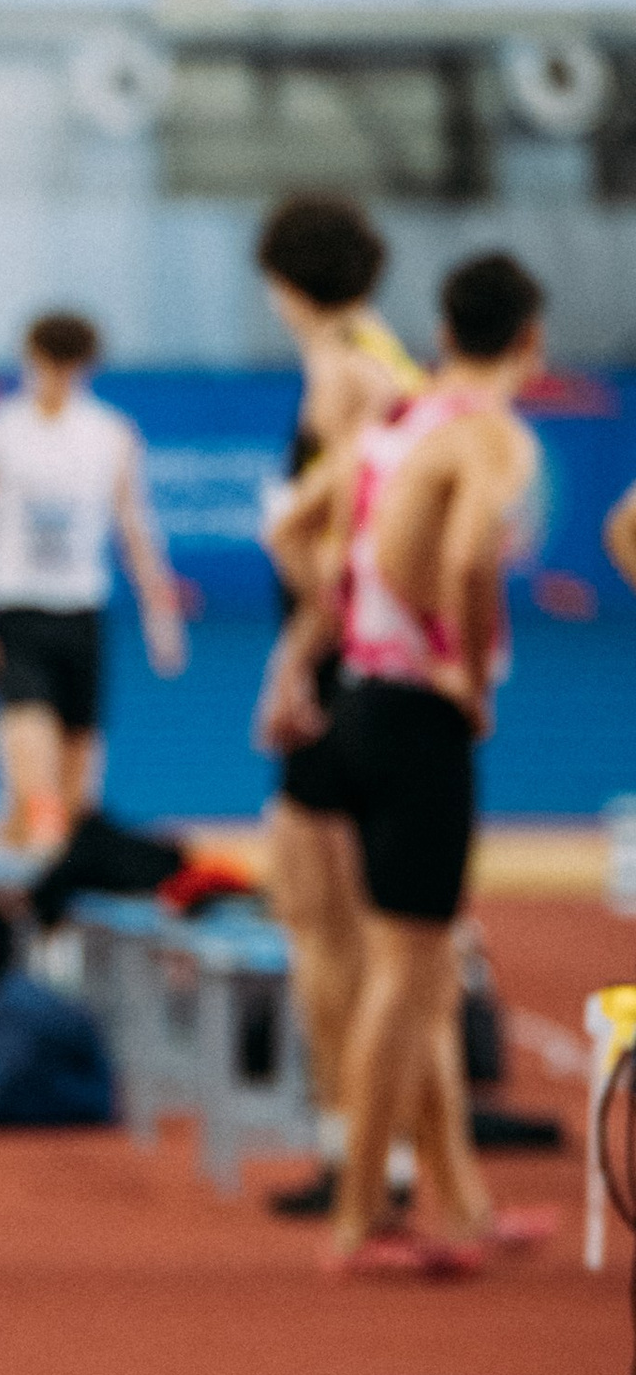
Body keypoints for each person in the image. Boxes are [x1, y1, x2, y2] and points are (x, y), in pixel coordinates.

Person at [288, 250, 554, 1277]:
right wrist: (463, 670)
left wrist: (354, 630)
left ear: (444, 327)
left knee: (423, 971)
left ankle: (459, 1203)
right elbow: (455, 560)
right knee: (403, 978)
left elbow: (294, 528)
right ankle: (358, 1218)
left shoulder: (395, 420)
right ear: (528, 338)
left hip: (359, 701)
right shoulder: (490, 435)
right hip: (413, 720)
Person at [249, 194, 426, 1220]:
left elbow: (337, 545)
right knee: (387, 934)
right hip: (382, 659)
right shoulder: (390, 354)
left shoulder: (335, 372)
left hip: (333, 665)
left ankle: (347, 1150)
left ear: (282, 283)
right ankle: (395, 1156)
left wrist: (290, 662)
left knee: (322, 924)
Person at [0, 312, 186, 851]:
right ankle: (21, 883)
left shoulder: (110, 434)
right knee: (37, 793)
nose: (54, 377)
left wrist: (160, 613)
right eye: (45, 365)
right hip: (17, 614)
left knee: (76, 808)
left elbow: (135, 528)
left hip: (82, 616)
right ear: (30, 359)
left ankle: (25, 902)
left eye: (66, 367)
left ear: (84, 367)